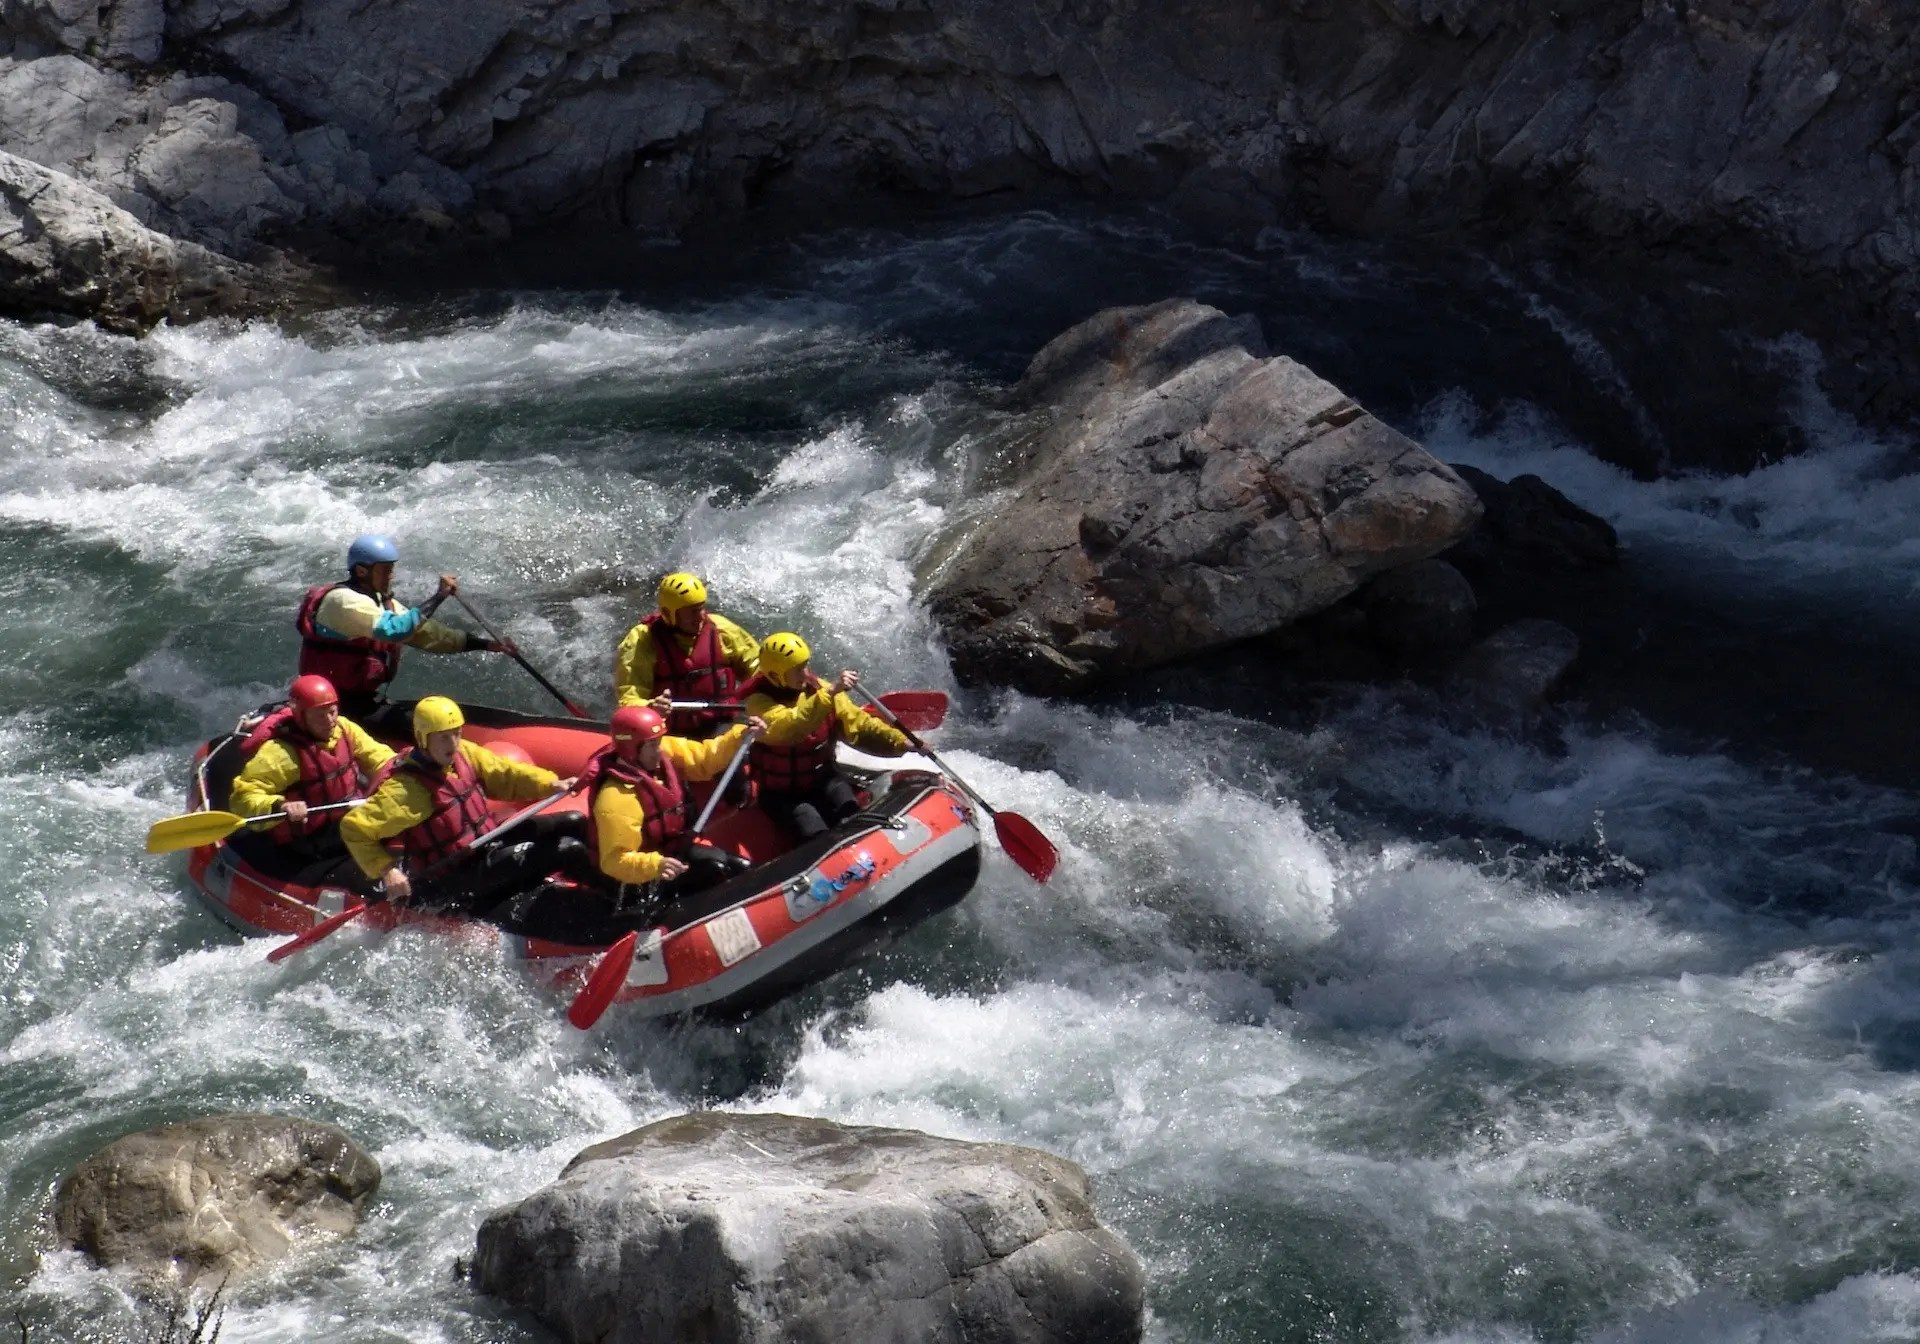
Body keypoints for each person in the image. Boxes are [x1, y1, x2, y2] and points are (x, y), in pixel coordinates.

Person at [339, 696, 589, 914]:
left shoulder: (464, 754)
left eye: (457, 733)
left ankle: (598, 881)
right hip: (455, 874)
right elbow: (354, 829)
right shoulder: (406, 790)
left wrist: (551, 784)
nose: (453, 743)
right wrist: (388, 870)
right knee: (568, 848)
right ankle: (602, 902)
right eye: (443, 737)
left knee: (574, 821)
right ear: (423, 739)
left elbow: (506, 774)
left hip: (487, 842)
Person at [296, 533, 515, 738]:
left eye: (392, 569)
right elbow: (396, 630)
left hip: (363, 700)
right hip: (332, 705)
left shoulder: (380, 603)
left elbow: (430, 634)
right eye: (385, 570)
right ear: (362, 571)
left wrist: (488, 645)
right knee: (425, 729)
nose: (391, 576)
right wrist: (439, 596)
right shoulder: (342, 601)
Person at [581, 705, 765, 905]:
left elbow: (705, 759)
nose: (659, 750)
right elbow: (614, 861)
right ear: (631, 750)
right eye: (652, 745)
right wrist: (656, 865)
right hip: (642, 876)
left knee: (742, 868)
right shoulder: (617, 797)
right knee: (714, 869)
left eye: (659, 741)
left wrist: (740, 735)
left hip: (673, 852)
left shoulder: (662, 752)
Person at [739, 632, 910, 842]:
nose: (805, 673)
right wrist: (831, 693)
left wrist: (901, 741)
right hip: (783, 795)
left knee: (853, 814)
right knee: (814, 829)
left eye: (805, 665)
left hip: (824, 779)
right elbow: (792, 725)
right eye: (797, 670)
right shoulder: (757, 704)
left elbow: (858, 723)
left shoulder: (818, 688)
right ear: (776, 676)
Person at [226, 674, 394, 880]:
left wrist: (404, 775)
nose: (329, 721)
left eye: (332, 711)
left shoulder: (344, 729)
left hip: (347, 818)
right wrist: (281, 806)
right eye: (320, 716)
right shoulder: (282, 753)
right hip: (308, 839)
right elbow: (243, 798)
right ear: (301, 717)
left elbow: (380, 758)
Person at [613, 572, 760, 738]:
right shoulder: (642, 639)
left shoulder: (722, 629)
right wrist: (650, 706)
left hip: (722, 727)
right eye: (692, 612)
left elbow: (758, 669)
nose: (700, 617)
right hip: (668, 733)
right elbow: (630, 696)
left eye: (701, 608)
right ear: (669, 614)